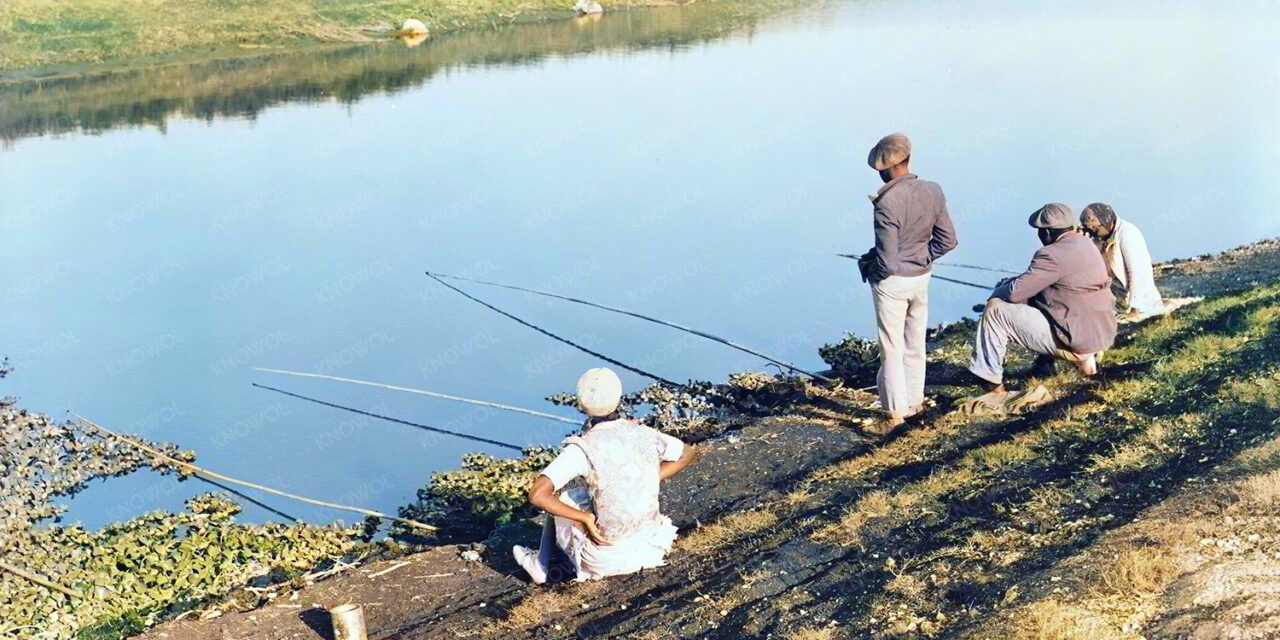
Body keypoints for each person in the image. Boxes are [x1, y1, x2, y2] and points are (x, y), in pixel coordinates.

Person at [512, 368, 695, 584]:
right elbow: (686, 453)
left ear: (582, 405)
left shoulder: (583, 448)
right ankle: (542, 563)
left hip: (605, 560)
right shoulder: (644, 433)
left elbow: (538, 495)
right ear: (618, 397)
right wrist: (644, 478)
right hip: (651, 548)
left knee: (563, 497)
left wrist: (584, 517)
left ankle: (540, 565)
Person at [857, 133, 958, 435]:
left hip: (893, 283)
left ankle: (893, 416)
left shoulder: (886, 203)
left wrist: (869, 268)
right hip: (921, 277)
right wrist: (922, 258)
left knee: (891, 348)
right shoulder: (933, 190)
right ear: (908, 160)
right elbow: (949, 240)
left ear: (882, 169)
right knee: (915, 344)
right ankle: (914, 404)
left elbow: (886, 261)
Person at [969, 204, 1117, 391]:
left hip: (1079, 338)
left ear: (1046, 232)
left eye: (1040, 231)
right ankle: (1084, 361)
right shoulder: (1087, 244)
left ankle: (990, 381)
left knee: (995, 310)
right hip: (1102, 332)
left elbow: (1015, 293)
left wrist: (999, 289)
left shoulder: (1050, 254)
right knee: (1038, 298)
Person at [1079, 202, 1165, 316]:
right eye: (1089, 230)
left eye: (1094, 229)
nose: (1092, 233)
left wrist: (1135, 309)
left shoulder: (1127, 233)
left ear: (1105, 221)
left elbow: (1137, 273)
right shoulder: (1098, 239)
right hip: (1118, 303)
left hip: (1143, 304)